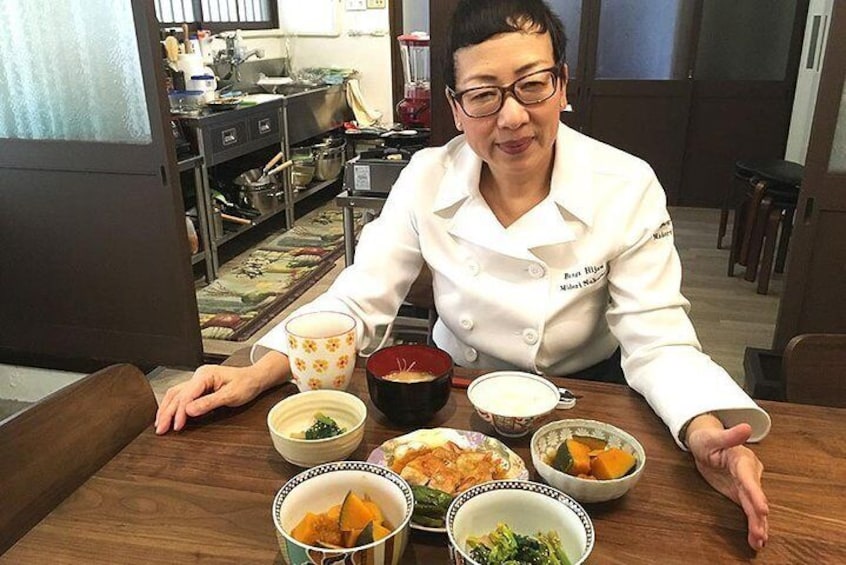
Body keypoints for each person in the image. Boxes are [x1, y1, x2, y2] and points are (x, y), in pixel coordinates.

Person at [156, 0, 770, 551]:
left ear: (562, 86)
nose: (511, 118)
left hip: (579, 406)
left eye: (532, 85)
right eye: (483, 94)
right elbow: (359, 297)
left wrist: (703, 431)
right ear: (455, 107)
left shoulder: (626, 183)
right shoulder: (426, 176)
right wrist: (253, 372)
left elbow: (657, 335)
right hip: (453, 404)